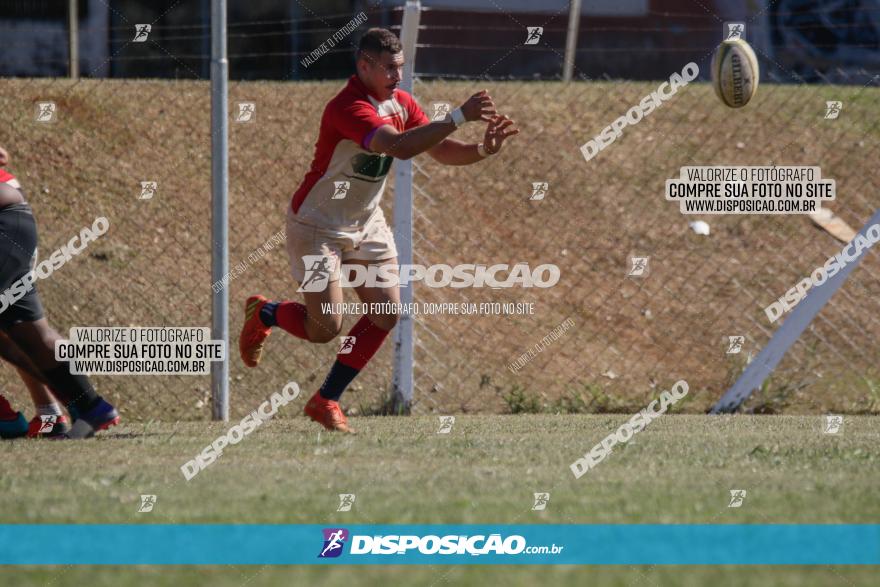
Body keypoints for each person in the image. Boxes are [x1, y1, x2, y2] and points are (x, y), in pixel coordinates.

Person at [239, 28, 519, 433]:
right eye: (388, 68)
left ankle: (326, 400)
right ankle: (266, 312)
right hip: (317, 228)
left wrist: (482, 149)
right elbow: (399, 147)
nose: (397, 76)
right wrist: (459, 116)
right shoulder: (347, 107)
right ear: (364, 66)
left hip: (366, 226)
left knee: (387, 313)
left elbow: (438, 151)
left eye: (400, 67)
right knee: (325, 328)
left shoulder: (401, 102)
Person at [0, 147, 118, 439]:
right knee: (23, 333)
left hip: (5, 223)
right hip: (12, 223)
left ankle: (71, 408)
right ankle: (89, 406)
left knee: (23, 333)